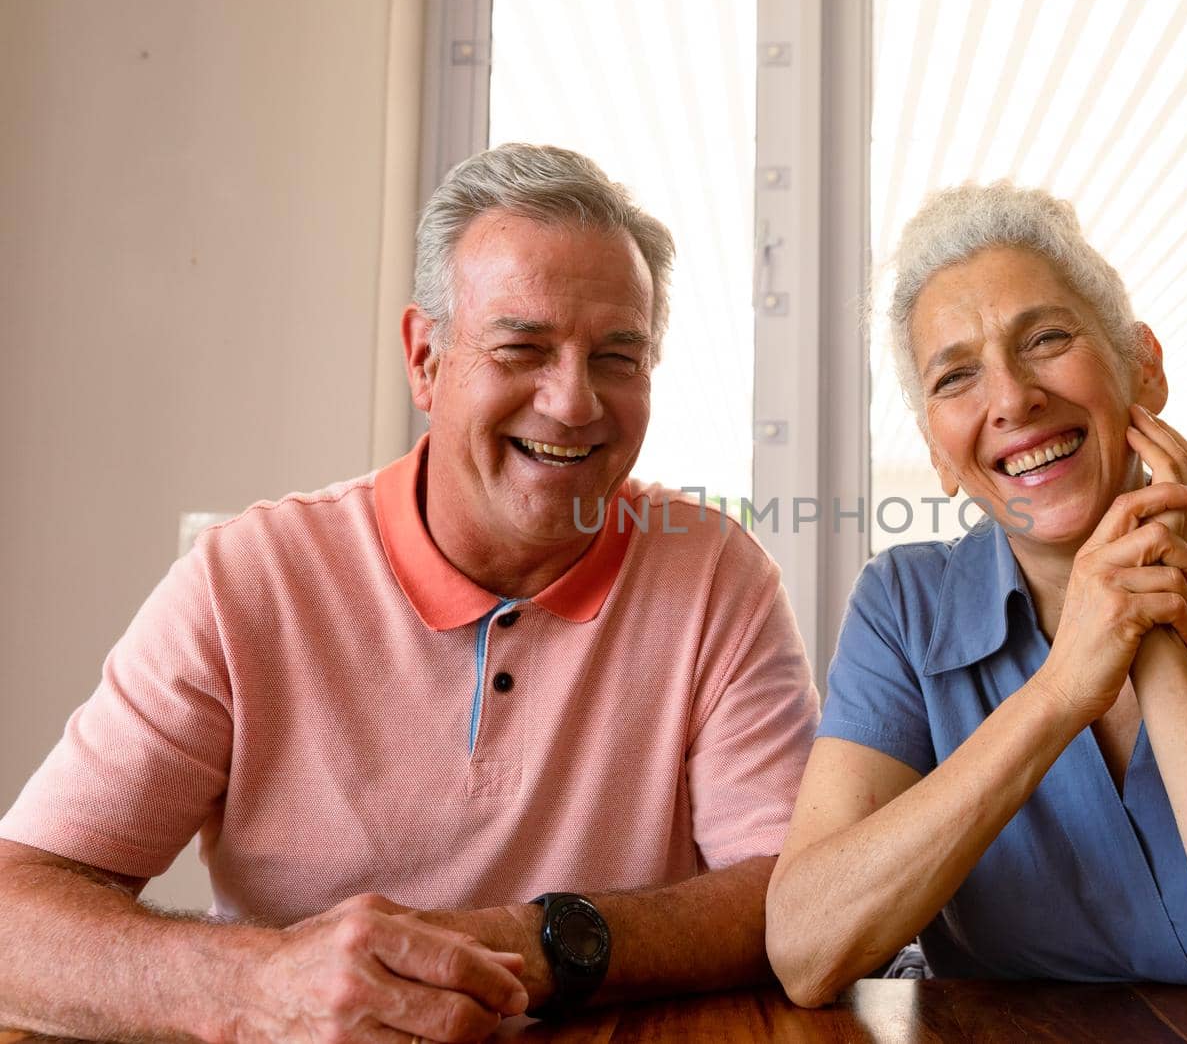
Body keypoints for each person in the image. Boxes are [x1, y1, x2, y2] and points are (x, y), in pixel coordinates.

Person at [0, 144, 819, 1042]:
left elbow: (788, 896)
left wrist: (529, 941)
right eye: (524, 347)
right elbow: (17, 915)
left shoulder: (718, 576)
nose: (575, 400)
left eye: (618, 357)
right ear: (425, 359)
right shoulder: (248, 580)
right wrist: (257, 985)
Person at [766, 182, 1187, 1044]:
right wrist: (1064, 687)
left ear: (1144, 365)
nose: (1013, 398)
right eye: (958, 375)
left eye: (1047, 339)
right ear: (940, 455)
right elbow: (805, 950)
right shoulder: (903, 607)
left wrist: (1149, 634)